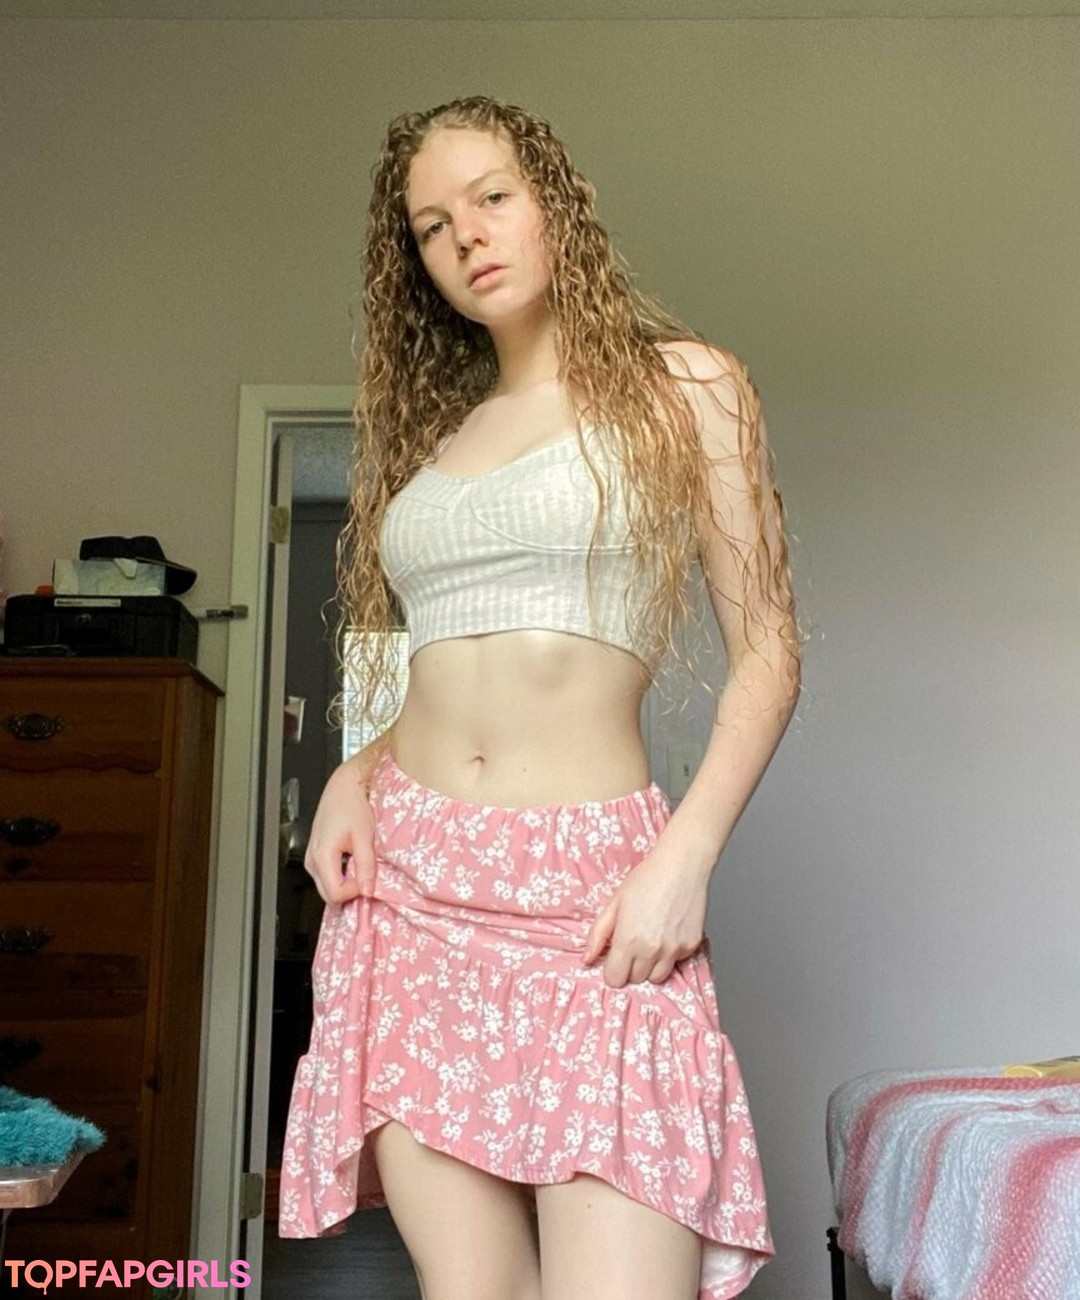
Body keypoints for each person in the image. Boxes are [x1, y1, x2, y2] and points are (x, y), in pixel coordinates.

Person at [278, 94, 801, 1300]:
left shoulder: (689, 387)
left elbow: (770, 648)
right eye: (431, 226)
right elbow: (446, 664)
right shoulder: (439, 437)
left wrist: (685, 857)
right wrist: (355, 772)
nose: (465, 235)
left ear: (556, 203)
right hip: (415, 896)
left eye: (492, 197)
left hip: (591, 899)